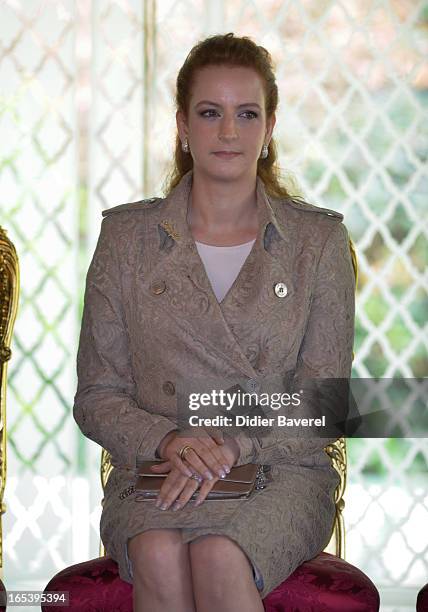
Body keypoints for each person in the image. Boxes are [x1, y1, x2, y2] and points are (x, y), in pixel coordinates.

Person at [73, 32, 355, 612]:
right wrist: (168, 440)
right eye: (210, 113)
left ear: (269, 127)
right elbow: (98, 396)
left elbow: (328, 400)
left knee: (219, 554)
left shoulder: (317, 241)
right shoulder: (126, 239)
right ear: (182, 124)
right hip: (157, 468)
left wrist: (235, 441)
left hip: (278, 468)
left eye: (246, 114)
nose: (229, 132)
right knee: (155, 550)